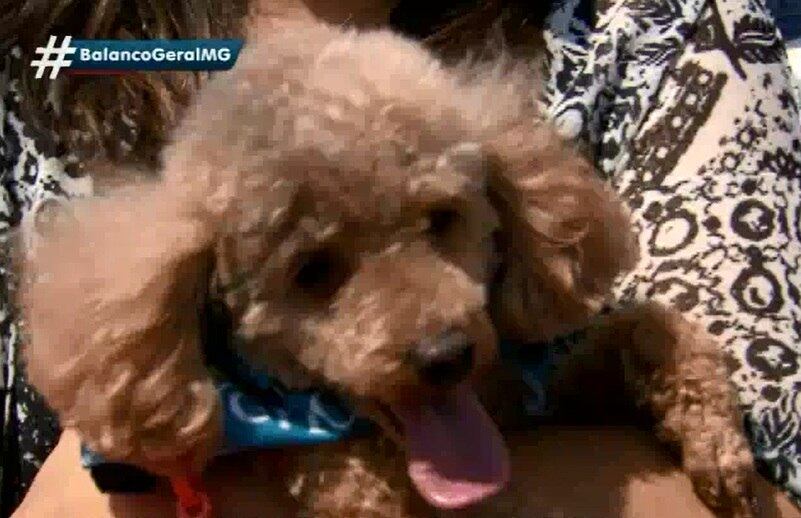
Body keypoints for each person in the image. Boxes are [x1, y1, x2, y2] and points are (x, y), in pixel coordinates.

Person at [4, 0, 801, 516]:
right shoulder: (56, 54)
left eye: (440, 222)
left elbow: (772, 493)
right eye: (316, 272)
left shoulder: (654, 28)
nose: (434, 328)